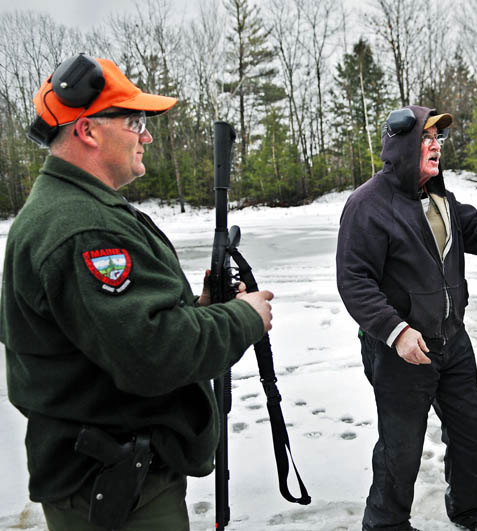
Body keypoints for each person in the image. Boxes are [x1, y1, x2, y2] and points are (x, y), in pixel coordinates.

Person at [0, 53, 274, 530]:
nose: (146, 135)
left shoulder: (77, 208)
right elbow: (153, 353)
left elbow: (113, 333)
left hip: (115, 474)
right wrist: (244, 318)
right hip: (114, 486)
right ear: (87, 130)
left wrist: (203, 309)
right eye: (133, 120)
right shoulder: (82, 228)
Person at [336, 105, 477, 531]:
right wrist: (395, 331)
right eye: (427, 138)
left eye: (439, 138)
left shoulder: (440, 199)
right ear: (401, 146)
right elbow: (354, 281)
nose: (436, 146)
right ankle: (385, 524)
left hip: (451, 339)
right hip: (400, 348)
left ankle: (470, 511)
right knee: (401, 446)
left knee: (470, 432)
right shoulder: (367, 205)